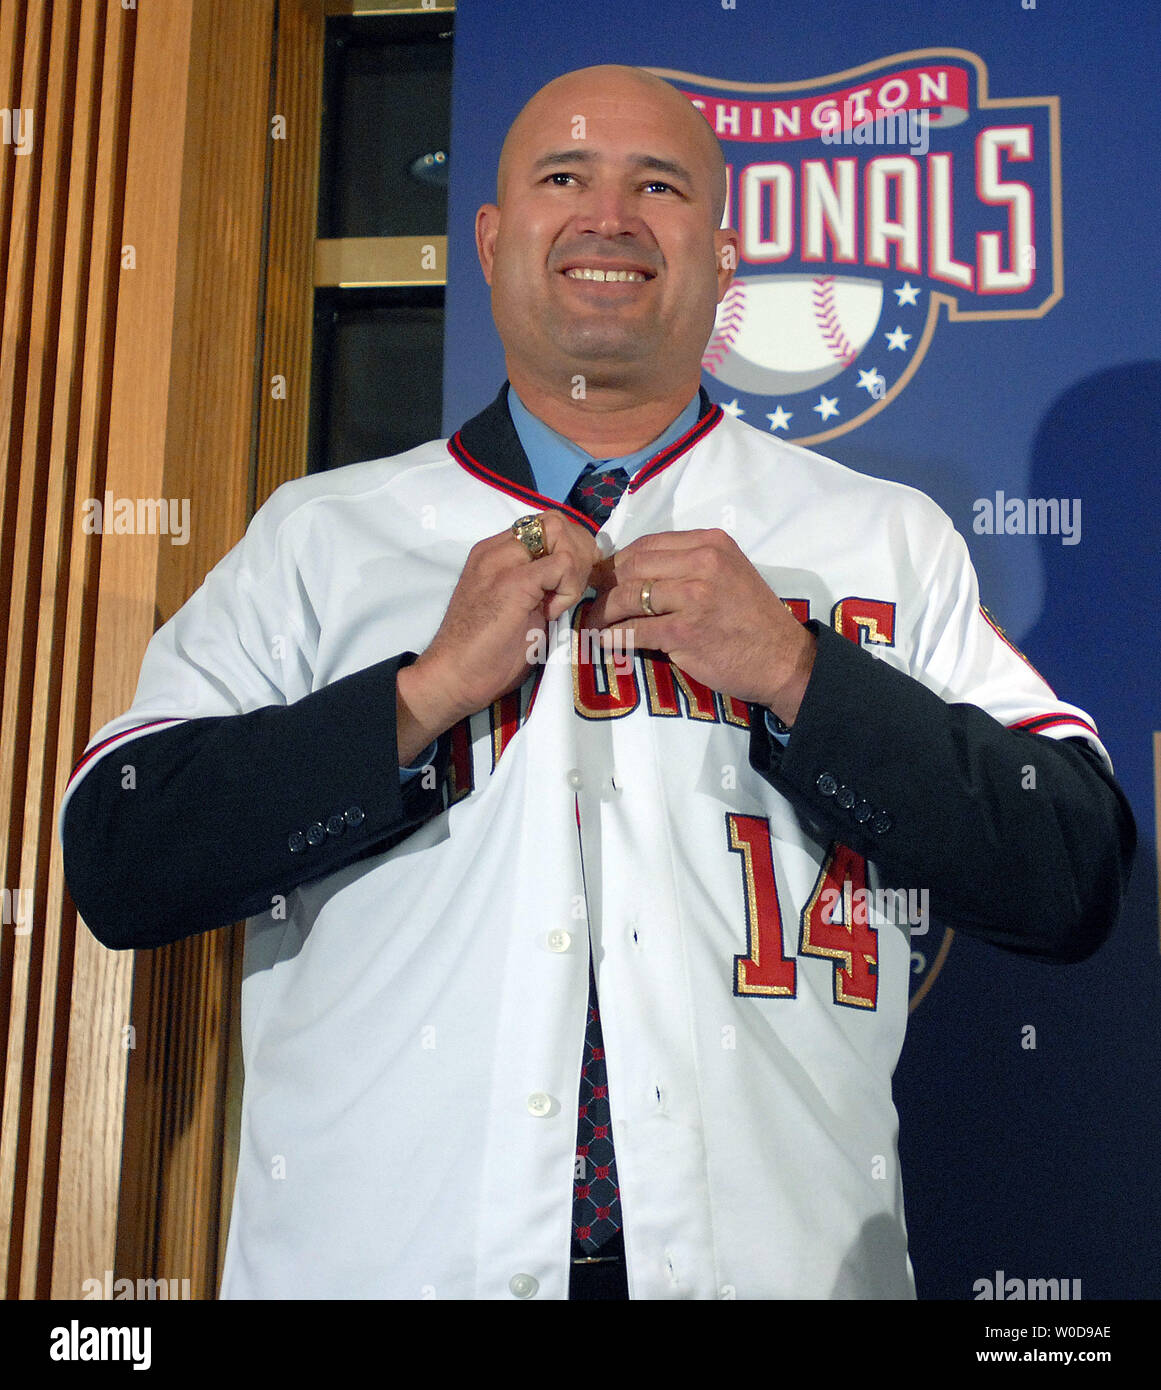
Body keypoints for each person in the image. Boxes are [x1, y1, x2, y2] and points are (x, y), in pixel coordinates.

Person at [61, 64, 1135, 1301]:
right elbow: (121, 854)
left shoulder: (872, 540)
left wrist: (798, 672)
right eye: (563, 177)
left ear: (724, 257)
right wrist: (420, 695)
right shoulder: (321, 538)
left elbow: (1072, 871)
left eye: (659, 186)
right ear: (495, 236)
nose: (608, 216)